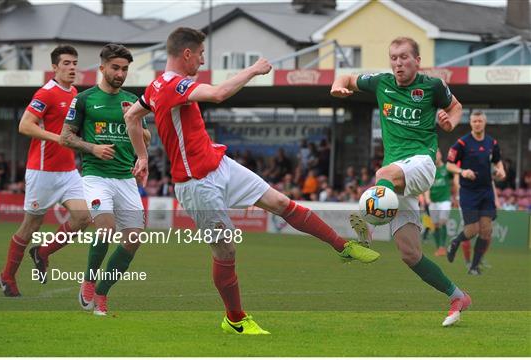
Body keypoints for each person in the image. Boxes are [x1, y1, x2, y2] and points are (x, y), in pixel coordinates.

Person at [125, 27, 379, 335]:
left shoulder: (156, 86)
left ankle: (343, 246)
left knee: (281, 202)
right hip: (196, 183)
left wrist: (143, 157)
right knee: (225, 251)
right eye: (201, 55)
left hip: (218, 164)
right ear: (187, 54)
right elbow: (218, 94)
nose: (203, 61)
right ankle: (235, 319)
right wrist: (255, 70)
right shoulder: (174, 85)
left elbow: (132, 117)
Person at [330, 36, 471, 327]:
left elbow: (456, 106)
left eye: (404, 58)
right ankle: (458, 296)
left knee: (382, 175)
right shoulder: (381, 82)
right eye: (393, 58)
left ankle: (365, 232)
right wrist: (337, 85)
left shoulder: (432, 86)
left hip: (421, 163)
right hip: (396, 177)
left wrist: (450, 122)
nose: (398, 63)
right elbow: (346, 76)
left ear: (417, 61)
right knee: (409, 254)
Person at [60, 44, 151, 315]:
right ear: (102, 68)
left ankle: (102, 293)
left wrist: (137, 131)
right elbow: (66, 136)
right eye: (115, 67)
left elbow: (145, 136)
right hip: (95, 175)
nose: (120, 73)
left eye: (124, 69)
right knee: (105, 228)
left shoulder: (132, 100)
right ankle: (88, 279)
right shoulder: (85, 99)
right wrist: (93, 148)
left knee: (134, 239)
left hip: (126, 178)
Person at [0, 45, 91, 297]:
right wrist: (56, 138)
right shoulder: (46, 93)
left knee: (84, 217)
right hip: (42, 171)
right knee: (31, 226)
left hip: (68, 170)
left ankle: (43, 252)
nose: (72, 67)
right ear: (55, 67)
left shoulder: (74, 92)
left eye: (75, 63)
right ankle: (7, 277)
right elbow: (24, 125)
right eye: (67, 63)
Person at [445, 111, 505, 275]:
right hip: (469, 192)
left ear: (484, 122)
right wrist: (462, 171)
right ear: (470, 123)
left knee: (486, 231)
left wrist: (501, 171)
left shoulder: (492, 142)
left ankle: (474, 267)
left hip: (486, 191)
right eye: (474, 121)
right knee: (472, 230)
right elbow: (449, 165)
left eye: (480, 121)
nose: (477, 123)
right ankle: (455, 243)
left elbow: (497, 161)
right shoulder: (462, 143)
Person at [423, 149, 454, 257]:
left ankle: (442, 247)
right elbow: (427, 186)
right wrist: (427, 198)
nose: (435, 156)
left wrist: (455, 195)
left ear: (441, 154)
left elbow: (454, 182)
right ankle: (438, 248)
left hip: (445, 200)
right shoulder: (430, 171)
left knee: (442, 222)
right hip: (433, 201)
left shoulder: (447, 168)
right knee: (435, 225)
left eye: (437, 153)